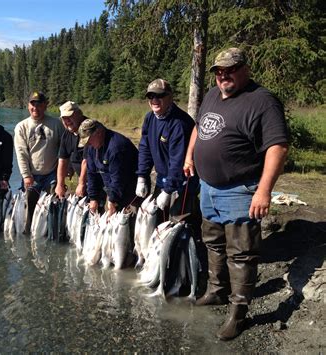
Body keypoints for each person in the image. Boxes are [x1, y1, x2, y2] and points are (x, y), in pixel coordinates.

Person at [183, 48, 289, 341]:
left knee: (241, 254)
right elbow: (199, 127)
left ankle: (238, 314)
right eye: (218, 71)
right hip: (208, 187)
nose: (223, 76)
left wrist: (264, 191)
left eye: (229, 70)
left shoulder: (262, 101)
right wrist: (191, 156)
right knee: (213, 242)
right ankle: (217, 291)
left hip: (240, 190)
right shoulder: (212, 94)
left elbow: (277, 147)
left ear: (245, 69)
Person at [136, 78, 198, 220]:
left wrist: (168, 190)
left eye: (159, 96)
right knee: (159, 219)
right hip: (162, 178)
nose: (154, 100)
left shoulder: (180, 124)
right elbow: (145, 148)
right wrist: (142, 176)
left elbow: (178, 161)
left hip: (182, 182)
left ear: (170, 97)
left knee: (179, 222)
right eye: (151, 96)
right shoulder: (150, 118)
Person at [14, 91, 64, 233]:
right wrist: (26, 175)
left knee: (52, 209)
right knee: (28, 211)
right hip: (32, 176)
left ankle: (52, 235)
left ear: (45, 105)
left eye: (39, 104)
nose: (35, 107)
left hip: (52, 175)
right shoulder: (21, 127)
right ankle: (27, 234)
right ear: (28, 105)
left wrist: (69, 168)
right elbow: (21, 153)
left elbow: (64, 149)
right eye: (32, 103)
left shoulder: (56, 124)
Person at [78, 119, 138, 217]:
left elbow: (118, 178)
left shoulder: (116, 147)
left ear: (98, 133)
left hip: (130, 191)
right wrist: (93, 198)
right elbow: (91, 173)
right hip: (112, 189)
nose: (88, 144)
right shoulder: (92, 147)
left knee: (129, 224)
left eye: (89, 140)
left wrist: (112, 201)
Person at [55, 101, 88, 199]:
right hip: (83, 178)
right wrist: (60, 185)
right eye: (64, 118)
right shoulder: (66, 134)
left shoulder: (88, 129)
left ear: (79, 114)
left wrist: (81, 184)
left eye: (70, 116)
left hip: (98, 178)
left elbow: (86, 161)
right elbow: (62, 160)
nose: (67, 121)